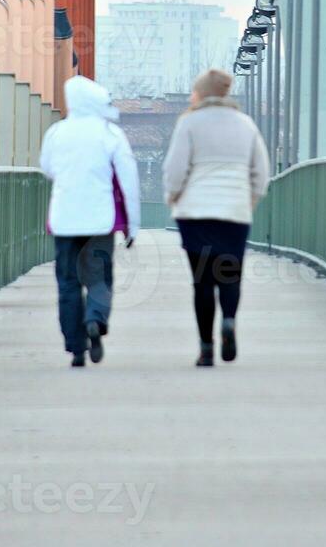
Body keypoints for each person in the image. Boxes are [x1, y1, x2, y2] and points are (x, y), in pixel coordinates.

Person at [162, 68, 269, 366]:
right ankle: (230, 321)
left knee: (202, 282)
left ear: (202, 92)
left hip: (196, 213)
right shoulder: (245, 125)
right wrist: (250, 198)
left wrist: (173, 196)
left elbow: (175, 168)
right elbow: (261, 170)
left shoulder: (189, 123)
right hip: (234, 212)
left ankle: (206, 348)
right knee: (229, 275)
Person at [39, 75, 141, 367]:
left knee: (68, 282)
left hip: (65, 220)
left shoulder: (56, 133)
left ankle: (76, 347)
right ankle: (95, 318)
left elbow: (46, 168)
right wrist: (132, 226)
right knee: (98, 276)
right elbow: (129, 180)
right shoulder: (110, 134)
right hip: (100, 219)